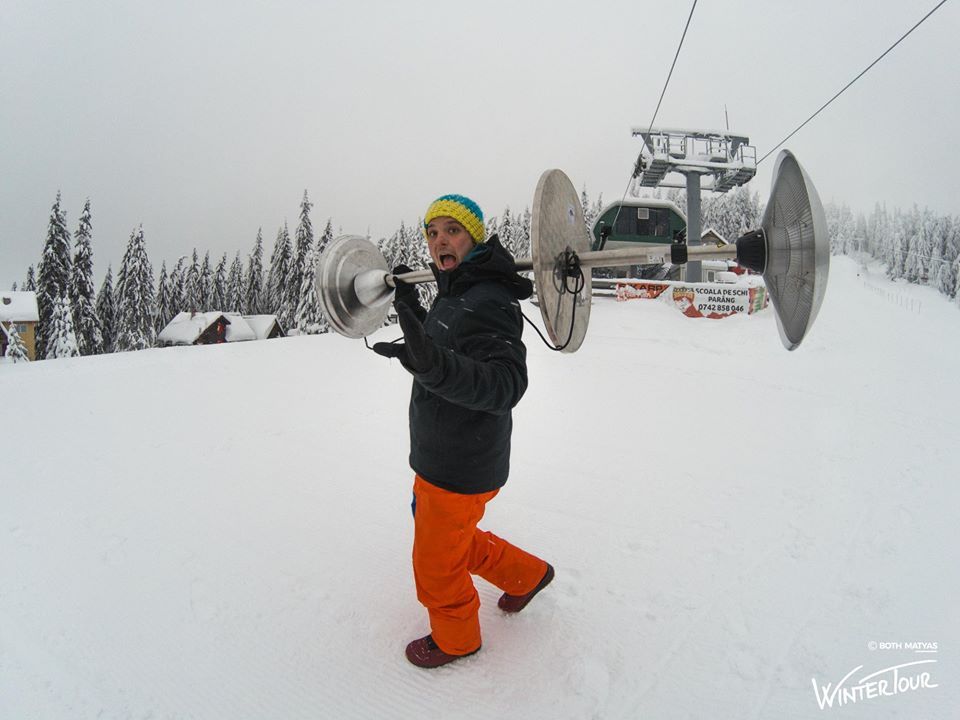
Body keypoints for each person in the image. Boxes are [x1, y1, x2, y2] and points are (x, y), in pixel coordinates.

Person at [373, 194, 554, 669]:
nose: (439, 241)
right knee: (455, 540)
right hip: (440, 454)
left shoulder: (490, 299)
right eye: (432, 233)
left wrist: (432, 366)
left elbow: (504, 384)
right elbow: (446, 352)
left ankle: (456, 640)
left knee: (436, 566)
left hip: (460, 463)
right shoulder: (455, 292)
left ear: (473, 236)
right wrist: (414, 313)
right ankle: (527, 576)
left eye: (451, 230)